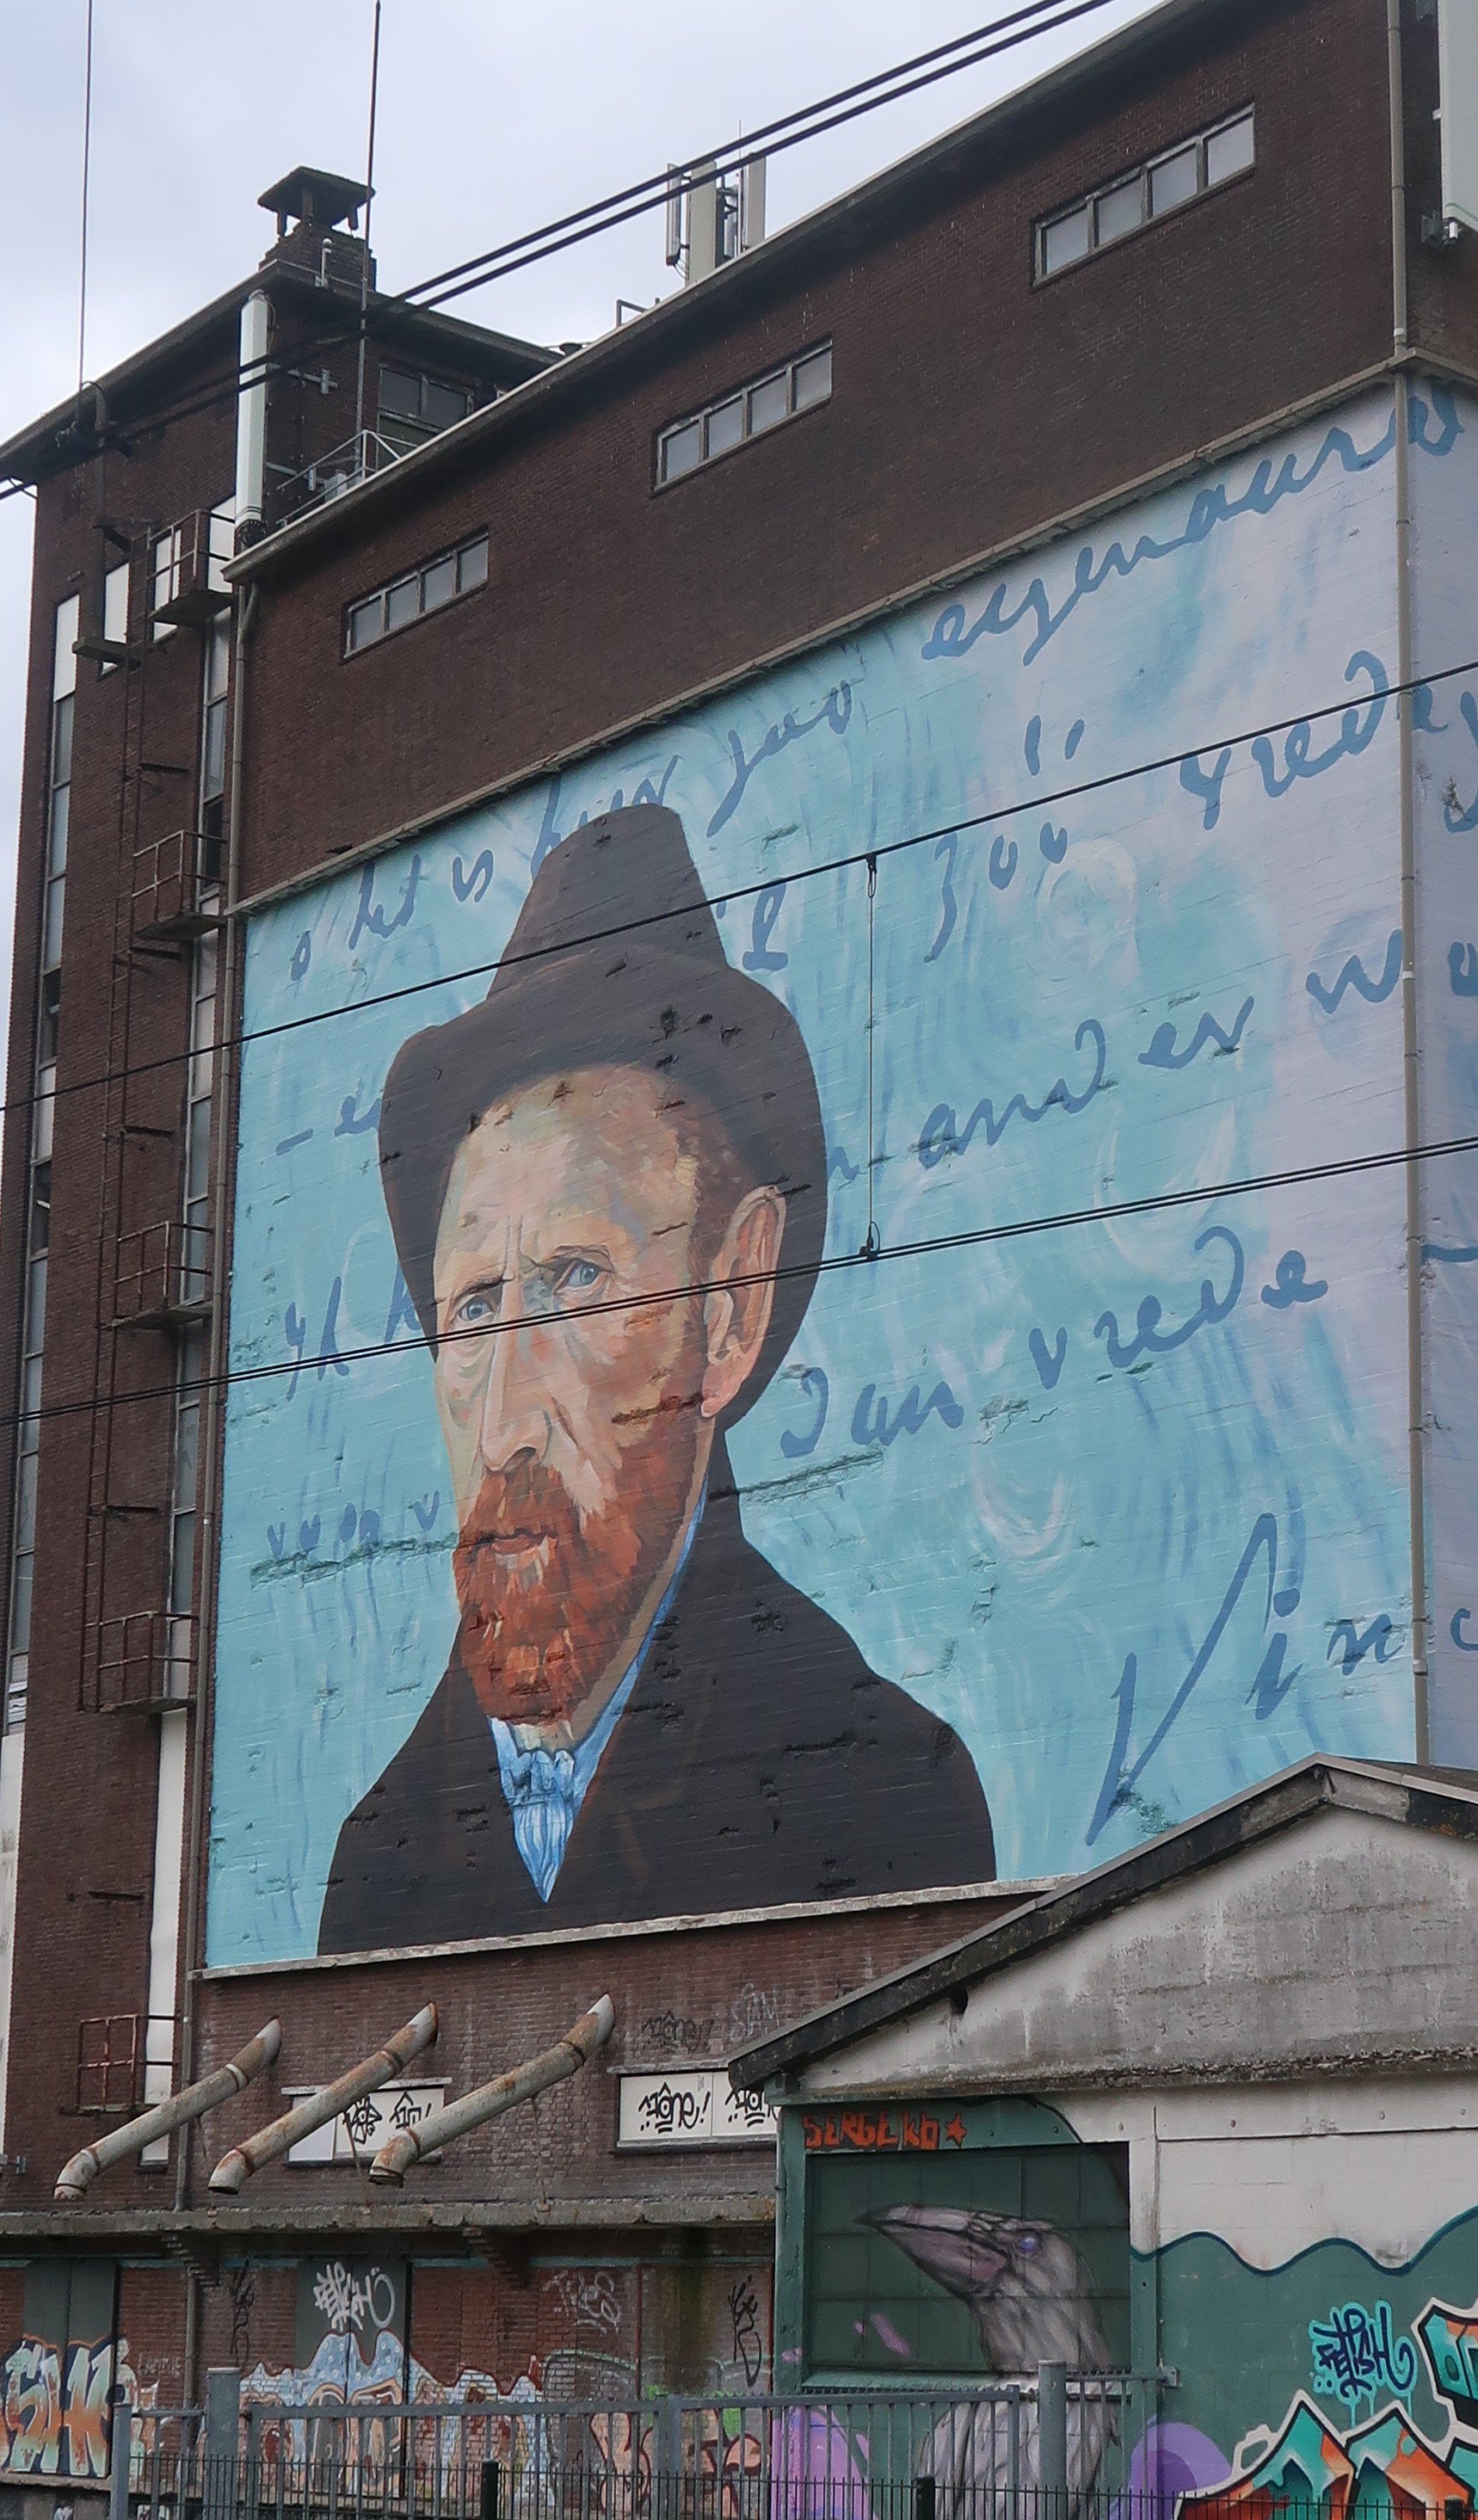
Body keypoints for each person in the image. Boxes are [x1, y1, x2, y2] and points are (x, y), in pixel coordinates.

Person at [317, 804, 995, 1953]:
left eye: (575, 1280)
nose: (507, 1420)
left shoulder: (878, 1792)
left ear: (730, 1308)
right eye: (472, 1308)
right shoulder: (378, 1859)